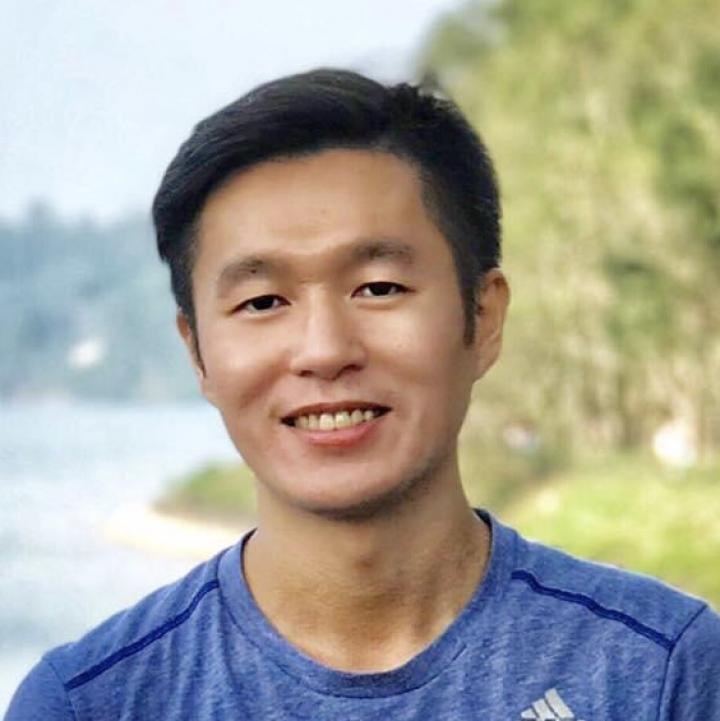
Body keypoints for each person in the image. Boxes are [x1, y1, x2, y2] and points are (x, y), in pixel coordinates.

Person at [6, 68, 719, 721]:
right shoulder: (92, 703)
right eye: (262, 301)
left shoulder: (662, 674)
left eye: (378, 288)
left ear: (484, 317)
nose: (324, 350)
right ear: (197, 352)